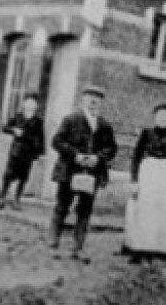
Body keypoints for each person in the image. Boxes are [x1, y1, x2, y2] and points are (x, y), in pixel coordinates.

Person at [48, 85, 118, 261]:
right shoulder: (71, 119)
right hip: (69, 170)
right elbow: (56, 141)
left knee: (85, 210)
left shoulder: (104, 125)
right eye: (89, 97)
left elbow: (111, 148)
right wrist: (75, 155)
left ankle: (78, 247)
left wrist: (98, 158)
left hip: (91, 173)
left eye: (97, 98)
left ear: (101, 103)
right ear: (83, 100)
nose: (93, 101)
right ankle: (53, 242)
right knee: (62, 206)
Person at [126, 103, 166, 263]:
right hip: (148, 172)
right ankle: (139, 249)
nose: (163, 119)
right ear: (155, 117)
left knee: (163, 210)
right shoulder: (146, 133)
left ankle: (160, 249)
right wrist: (134, 180)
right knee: (144, 210)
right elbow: (136, 157)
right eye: (160, 115)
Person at [0, 92, 45, 211]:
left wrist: (38, 153)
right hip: (15, 151)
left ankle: (16, 200)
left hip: (28, 153)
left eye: (33, 103)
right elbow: (5, 128)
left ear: (36, 106)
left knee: (23, 177)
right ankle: (2, 198)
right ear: (24, 104)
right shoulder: (18, 116)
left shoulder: (38, 121)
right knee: (8, 175)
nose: (30, 104)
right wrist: (13, 130)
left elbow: (40, 138)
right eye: (28, 102)